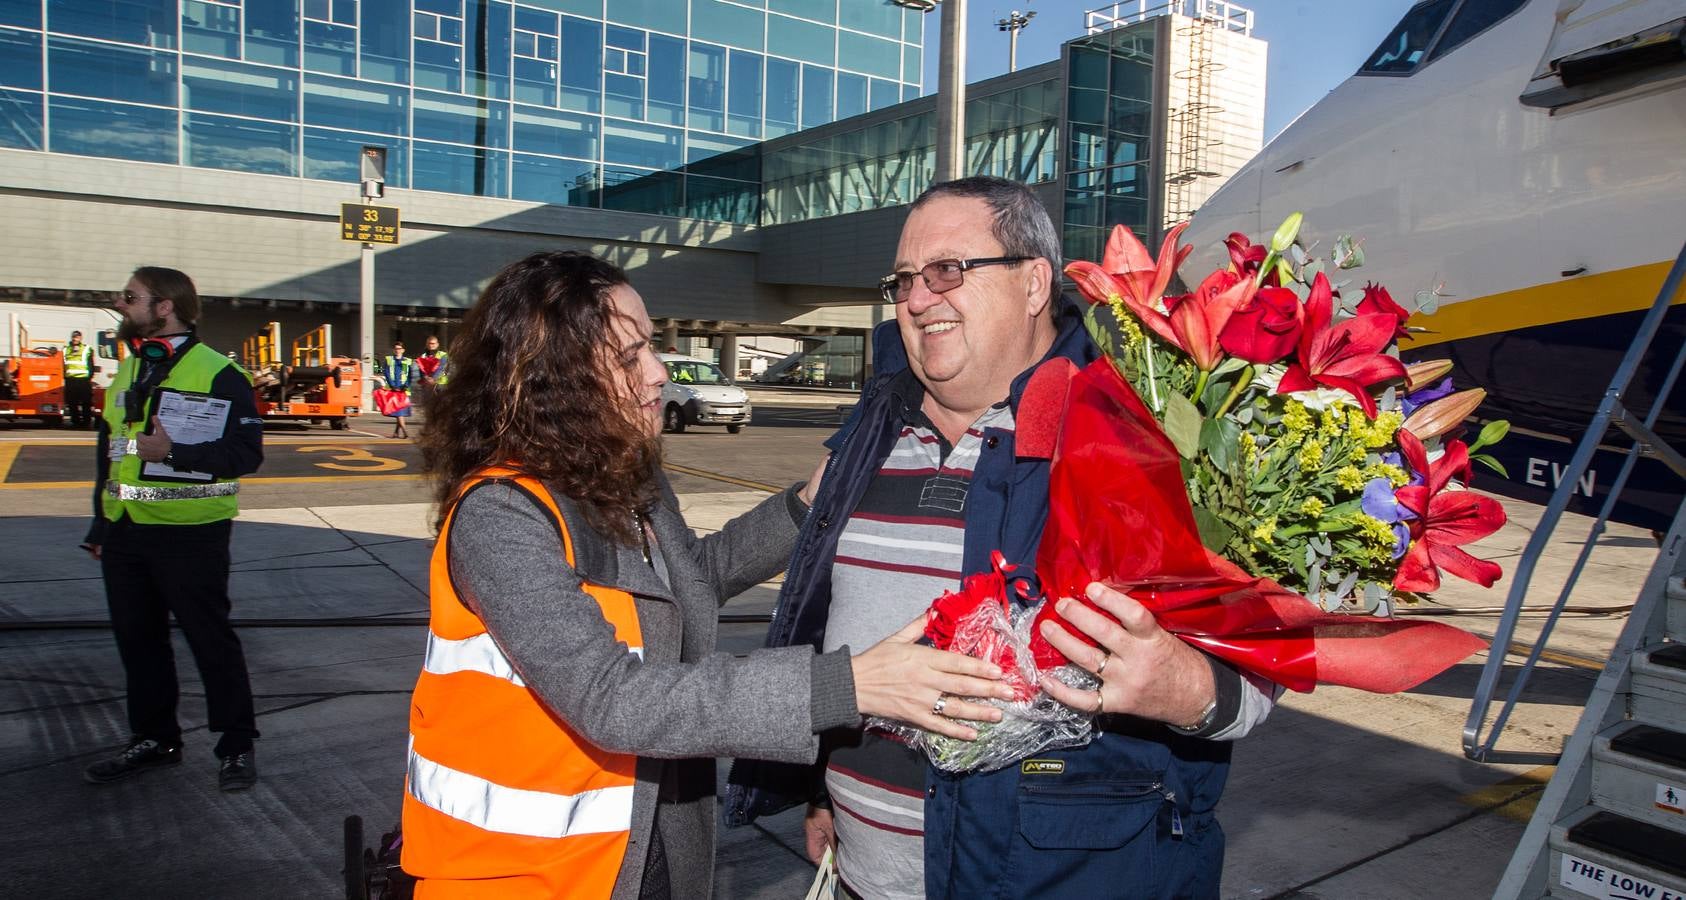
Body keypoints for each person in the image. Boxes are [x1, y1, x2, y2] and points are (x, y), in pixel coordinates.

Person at [726, 177, 1282, 899]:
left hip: (1065, 877)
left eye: (947, 271)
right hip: (863, 876)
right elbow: (834, 627)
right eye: (902, 281)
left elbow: (1264, 665)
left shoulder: (1144, 424)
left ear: (1032, 283)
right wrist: (825, 787)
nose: (917, 298)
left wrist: (1183, 687)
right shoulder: (872, 427)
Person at [401, 250, 1014, 899]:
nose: (658, 372)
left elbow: (692, 576)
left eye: (651, 349)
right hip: (524, 878)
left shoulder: (624, 483)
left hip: (647, 859)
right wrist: (849, 684)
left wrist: (804, 506)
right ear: (554, 380)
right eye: (629, 355)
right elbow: (617, 700)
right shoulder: (500, 517)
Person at [80, 266, 264, 792]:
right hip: (125, 530)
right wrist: (101, 520)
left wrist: (175, 453)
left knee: (211, 641)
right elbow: (111, 449)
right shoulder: (130, 368)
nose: (122, 304)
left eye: (132, 296)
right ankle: (154, 739)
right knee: (138, 642)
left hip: (190, 533)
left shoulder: (220, 373)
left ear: (165, 306)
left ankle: (235, 746)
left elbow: (246, 454)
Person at [378, 341, 416, 438]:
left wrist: (406, 385)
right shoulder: (389, 360)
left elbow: (410, 375)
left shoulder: (408, 361)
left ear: (403, 350)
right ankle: (403, 431)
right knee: (399, 412)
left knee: (400, 412)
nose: (397, 351)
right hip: (393, 390)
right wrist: (392, 385)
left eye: (399, 349)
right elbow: (386, 373)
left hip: (403, 390)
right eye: (396, 349)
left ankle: (399, 432)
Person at [62, 329, 97, 427]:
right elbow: (62, 365)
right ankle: (75, 422)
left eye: (77, 337)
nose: (75, 339)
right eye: (74, 337)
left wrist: (89, 377)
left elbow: (91, 365)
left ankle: (86, 422)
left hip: (83, 380)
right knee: (72, 403)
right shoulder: (65, 349)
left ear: (80, 338)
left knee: (86, 403)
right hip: (70, 380)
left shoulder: (86, 349)